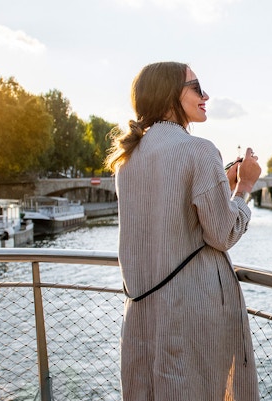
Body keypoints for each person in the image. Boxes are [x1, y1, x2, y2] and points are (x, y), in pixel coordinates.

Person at [105, 61, 261, 401]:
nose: (206, 95)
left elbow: (167, 211)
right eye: (196, 86)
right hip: (194, 312)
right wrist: (244, 187)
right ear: (170, 94)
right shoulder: (200, 150)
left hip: (144, 310)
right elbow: (223, 233)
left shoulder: (127, 159)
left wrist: (221, 181)